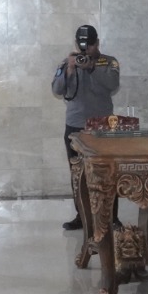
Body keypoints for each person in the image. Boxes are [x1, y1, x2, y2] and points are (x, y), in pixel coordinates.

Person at [51, 24, 120, 230]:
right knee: (78, 174)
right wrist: (70, 69)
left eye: (90, 45)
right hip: (75, 127)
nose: (87, 49)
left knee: (108, 173)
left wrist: (92, 68)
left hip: (102, 128)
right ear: (76, 44)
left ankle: (111, 217)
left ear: (97, 43)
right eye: (83, 45)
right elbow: (57, 89)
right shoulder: (68, 62)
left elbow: (112, 84)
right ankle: (82, 216)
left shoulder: (109, 62)